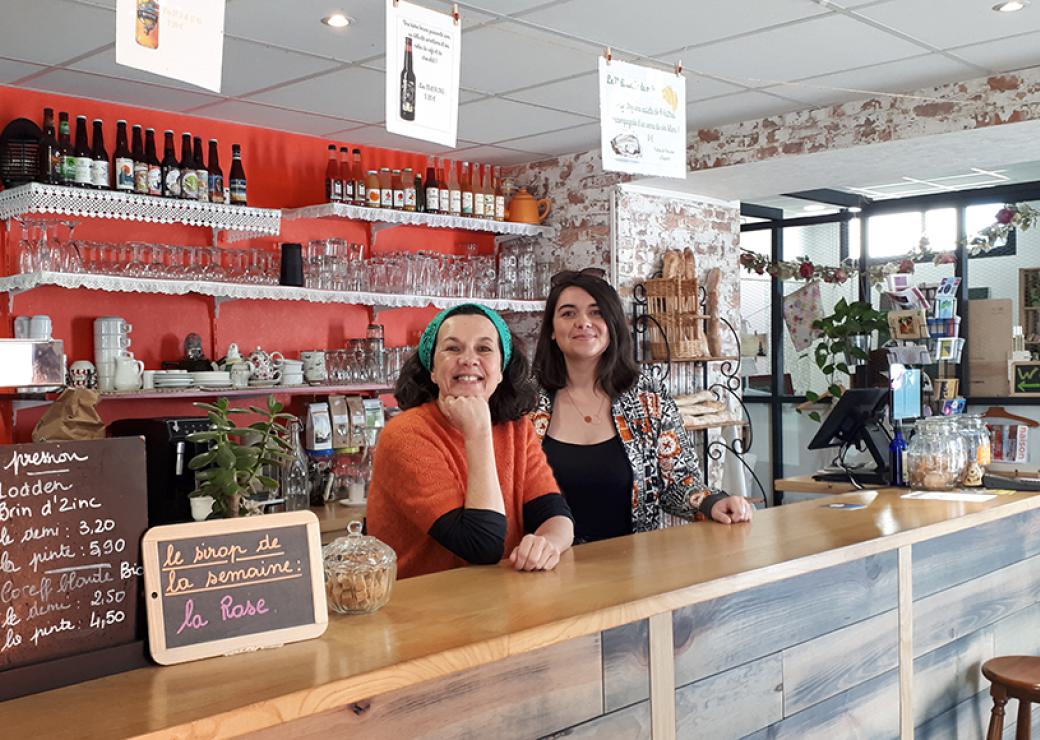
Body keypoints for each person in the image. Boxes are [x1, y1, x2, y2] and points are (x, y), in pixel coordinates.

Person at [530, 269, 753, 543]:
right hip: (543, 567)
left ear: (613, 325)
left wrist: (711, 503)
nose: (583, 322)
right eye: (568, 313)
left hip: (634, 569)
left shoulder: (647, 397)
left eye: (597, 312)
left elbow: (677, 480)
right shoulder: (527, 401)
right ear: (551, 330)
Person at [368, 303, 574, 579]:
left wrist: (548, 543)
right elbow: (481, 545)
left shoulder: (516, 427)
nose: (468, 359)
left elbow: (554, 513)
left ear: (502, 370)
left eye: (484, 349)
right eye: (453, 348)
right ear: (432, 368)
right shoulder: (406, 434)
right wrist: (478, 433)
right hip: (420, 609)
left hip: (497, 601)